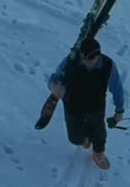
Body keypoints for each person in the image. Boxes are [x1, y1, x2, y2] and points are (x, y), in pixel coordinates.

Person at [47, 37, 125, 168]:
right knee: (75, 138)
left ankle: (98, 153)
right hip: (73, 105)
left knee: (99, 133)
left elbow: (117, 88)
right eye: (82, 57)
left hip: (96, 105)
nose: (84, 62)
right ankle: (85, 137)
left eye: (89, 60)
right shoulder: (70, 61)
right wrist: (54, 87)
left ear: (97, 56)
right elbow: (53, 77)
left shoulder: (108, 65)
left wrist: (119, 110)